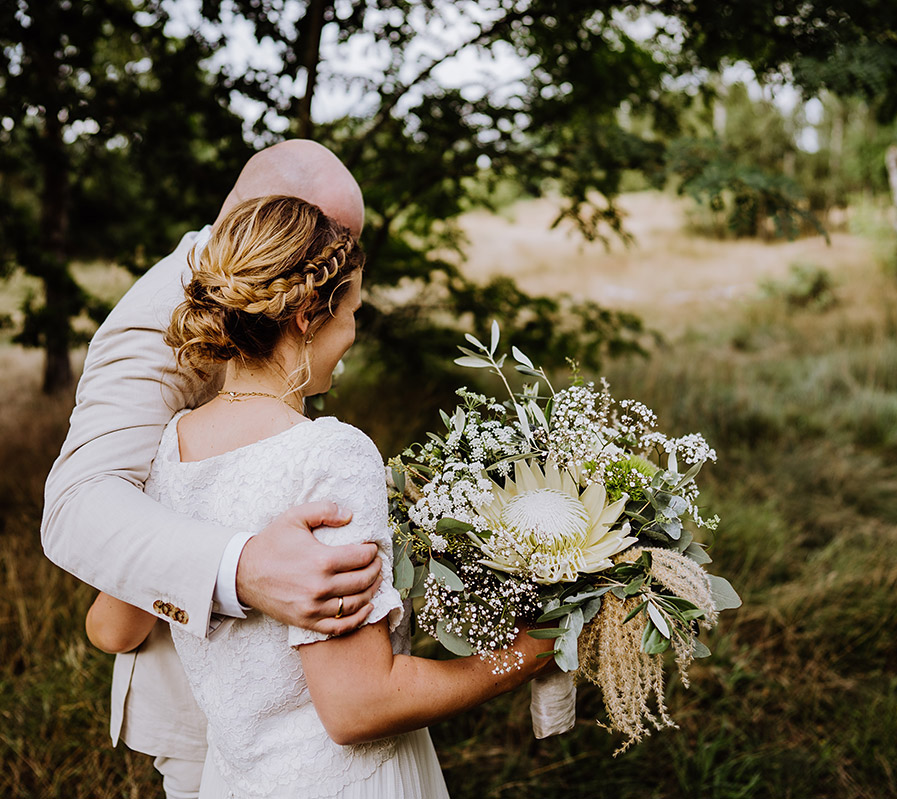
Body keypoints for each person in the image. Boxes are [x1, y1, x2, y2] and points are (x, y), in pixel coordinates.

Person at [85, 194, 555, 798]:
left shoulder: (174, 443)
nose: (354, 332)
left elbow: (112, 624)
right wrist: (523, 657)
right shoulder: (329, 454)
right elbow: (359, 707)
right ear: (308, 314)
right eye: (352, 310)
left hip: (234, 780)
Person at [41, 141, 384, 797]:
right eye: (322, 245)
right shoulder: (153, 319)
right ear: (274, 229)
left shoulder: (278, 352)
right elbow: (78, 503)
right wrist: (242, 567)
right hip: (210, 707)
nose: (331, 267)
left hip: (307, 698)